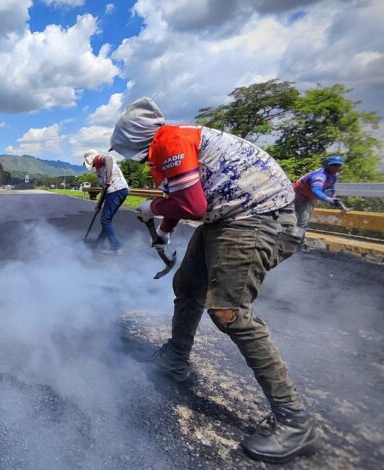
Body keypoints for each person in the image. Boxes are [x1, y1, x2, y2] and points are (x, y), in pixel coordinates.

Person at [110, 97, 317, 463]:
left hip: (256, 216)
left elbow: (193, 206)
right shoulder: (167, 149)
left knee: (228, 311)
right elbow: (185, 199)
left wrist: (152, 208)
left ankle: (295, 420)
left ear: (135, 142)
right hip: (230, 216)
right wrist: (165, 230)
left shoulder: (170, 141)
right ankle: (176, 360)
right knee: (187, 286)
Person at [82, 149, 130, 254]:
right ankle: (98, 245)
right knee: (106, 220)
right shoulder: (100, 171)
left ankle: (116, 246)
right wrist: (98, 205)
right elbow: (104, 190)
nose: (94, 165)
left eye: (92, 163)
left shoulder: (101, 159)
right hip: (116, 192)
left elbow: (109, 159)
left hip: (117, 191)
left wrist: (108, 178)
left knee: (105, 220)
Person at [293, 156, 344, 231]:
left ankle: (296, 237)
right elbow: (316, 191)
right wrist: (329, 200)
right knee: (302, 222)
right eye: (334, 165)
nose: (336, 167)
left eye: (339, 165)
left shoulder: (334, 175)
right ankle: (297, 240)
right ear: (327, 165)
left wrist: (333, 197)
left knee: (303, 219)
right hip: (299, 195)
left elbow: (330, 188)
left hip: (308, 197)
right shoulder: (319, 175)